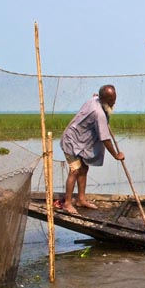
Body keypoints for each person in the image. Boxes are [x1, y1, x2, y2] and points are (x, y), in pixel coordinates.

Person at [58, 85, 125, 214]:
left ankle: (81, 200)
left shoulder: (95, 100)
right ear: (104, 99)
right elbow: (105, 139)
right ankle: (67, 203)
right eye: (111, 100)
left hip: (80, 143)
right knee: (75, 170)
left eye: (115, 98)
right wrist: (116, 155)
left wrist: (96, 96)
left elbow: (95, 96)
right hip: (71, 141)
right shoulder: (98, 114)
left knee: (84, 168)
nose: (114, 102)